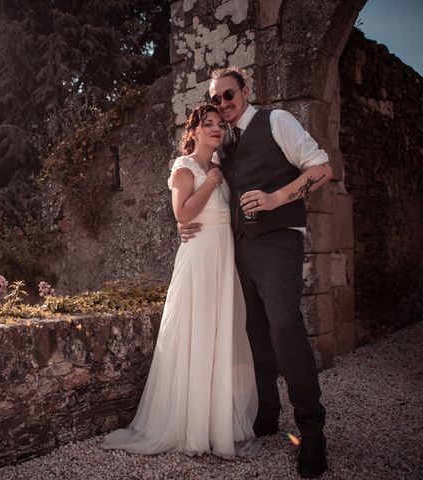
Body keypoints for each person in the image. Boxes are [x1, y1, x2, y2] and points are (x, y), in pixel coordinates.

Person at [180, 66, 332, 478]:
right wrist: (184, 220)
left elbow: (321, 169)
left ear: (245, 92)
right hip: (238, 249)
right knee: (254, 333)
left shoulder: (276, 121)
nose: (224, 105)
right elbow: (193, 186)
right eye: (218, 99)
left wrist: (275, 198)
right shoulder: (223, 143)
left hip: (278, 240)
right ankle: (267, 415)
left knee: (285, 325)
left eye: (229, 96)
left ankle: (312, 431)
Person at [102, 105, 260, 459]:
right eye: (208, 125)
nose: (216, 129)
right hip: (199, 258)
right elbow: (183, 213)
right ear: (194, 132)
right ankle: (192, 427)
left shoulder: (219, 168)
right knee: (198, 332)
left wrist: (219, 178)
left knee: (221, 334)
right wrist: (213, 183)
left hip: (223, 259)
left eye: (220, 124)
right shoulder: (184, 166)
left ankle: (218, 424)